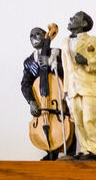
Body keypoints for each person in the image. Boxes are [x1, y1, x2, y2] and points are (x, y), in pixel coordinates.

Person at [20, 26, 75, 160]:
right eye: (31, 36)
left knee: (69, 120)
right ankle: (51, 152)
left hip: (59, 97)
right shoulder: (28, 62)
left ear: (46, 35)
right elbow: (25, 84)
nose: (33, 38)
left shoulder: (57, 53)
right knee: (47, 122)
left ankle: (70, 152)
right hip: (41, 103)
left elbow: (68, 70)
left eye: (37, 34)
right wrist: (31, 101)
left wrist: (51, 64)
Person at [63, 10, 96, 161]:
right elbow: (66, 68)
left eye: (76, 17)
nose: (71, 18)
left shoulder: (95, 41)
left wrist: (87, 62)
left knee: (89, 119)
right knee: (78, 120)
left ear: (83, 23)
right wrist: (65, 90)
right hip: (73, 88)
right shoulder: (65, 42)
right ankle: (84, 149)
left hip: (90, 87)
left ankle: (95, 150)